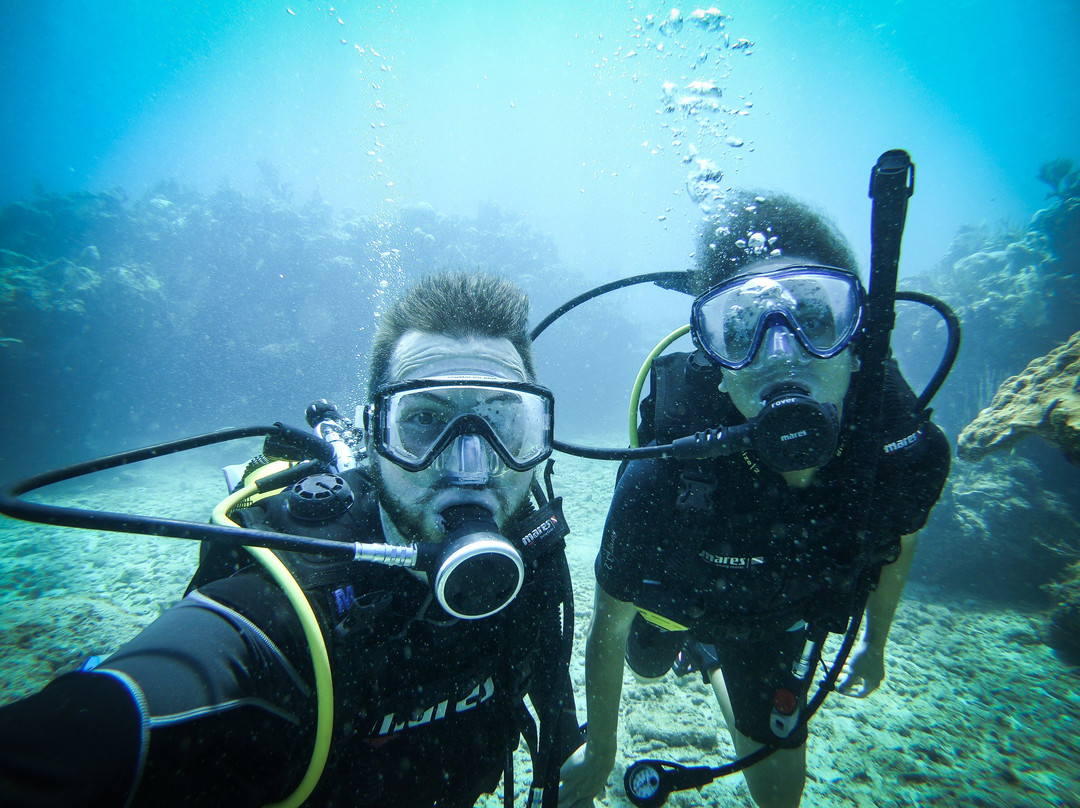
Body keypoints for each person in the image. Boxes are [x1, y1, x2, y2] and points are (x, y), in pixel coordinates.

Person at [0, 271, 580, 808]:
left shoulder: (532, 558)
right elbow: (108, 724)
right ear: (375, 434)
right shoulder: (286, 608)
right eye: (424, 420)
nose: (469, 465)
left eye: (502, 420)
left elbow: (551, 697)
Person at [558, 191, 951, 808]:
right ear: (715, 360)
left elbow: (895, 538)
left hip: (778, 617)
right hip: (678, 598)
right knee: (646, 662)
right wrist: (603, 748)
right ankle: (698, 647)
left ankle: (716, 656)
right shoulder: (664, 474)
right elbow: (609, 625)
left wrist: (875, 644)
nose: (780, 354)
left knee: (778, 782)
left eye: (813, 319)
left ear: (859, 333)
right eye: (741, 331)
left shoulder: (903, 455)